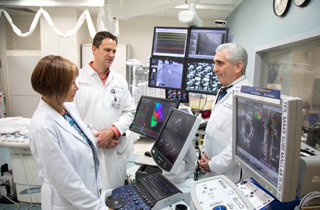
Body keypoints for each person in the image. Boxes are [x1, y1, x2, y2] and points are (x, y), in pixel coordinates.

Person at [29, 55, 108, 210]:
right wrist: (98, 207)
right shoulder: (43, 126)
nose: (76, 87)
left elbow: (86, 150)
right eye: (72, 82)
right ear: (56, 85)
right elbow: (64, 179)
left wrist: (97, 184)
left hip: (87, 195)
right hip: (66, 203)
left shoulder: (67, 109)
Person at [74, 31, 136, 191]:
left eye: (114, 51)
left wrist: (113, 132)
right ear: (94, 49)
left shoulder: (119, 81)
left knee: (114, 195)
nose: (111, 55)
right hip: (89, 147)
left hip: (114, 149)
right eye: (107, 50)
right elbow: (72, 117)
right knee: (90, 195)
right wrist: (98, 138)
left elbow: (130, 111)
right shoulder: (77, 79)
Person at [198, 43, 251, 183]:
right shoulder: (224, 89)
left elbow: (241, 145)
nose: (214, 69)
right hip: (212, 165)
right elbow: (218, 127)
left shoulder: (247, 97)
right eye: (215, 63)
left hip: (229, 174)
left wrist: (212, 164)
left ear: (238, 66)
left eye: (220, 63)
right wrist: (206, 153)